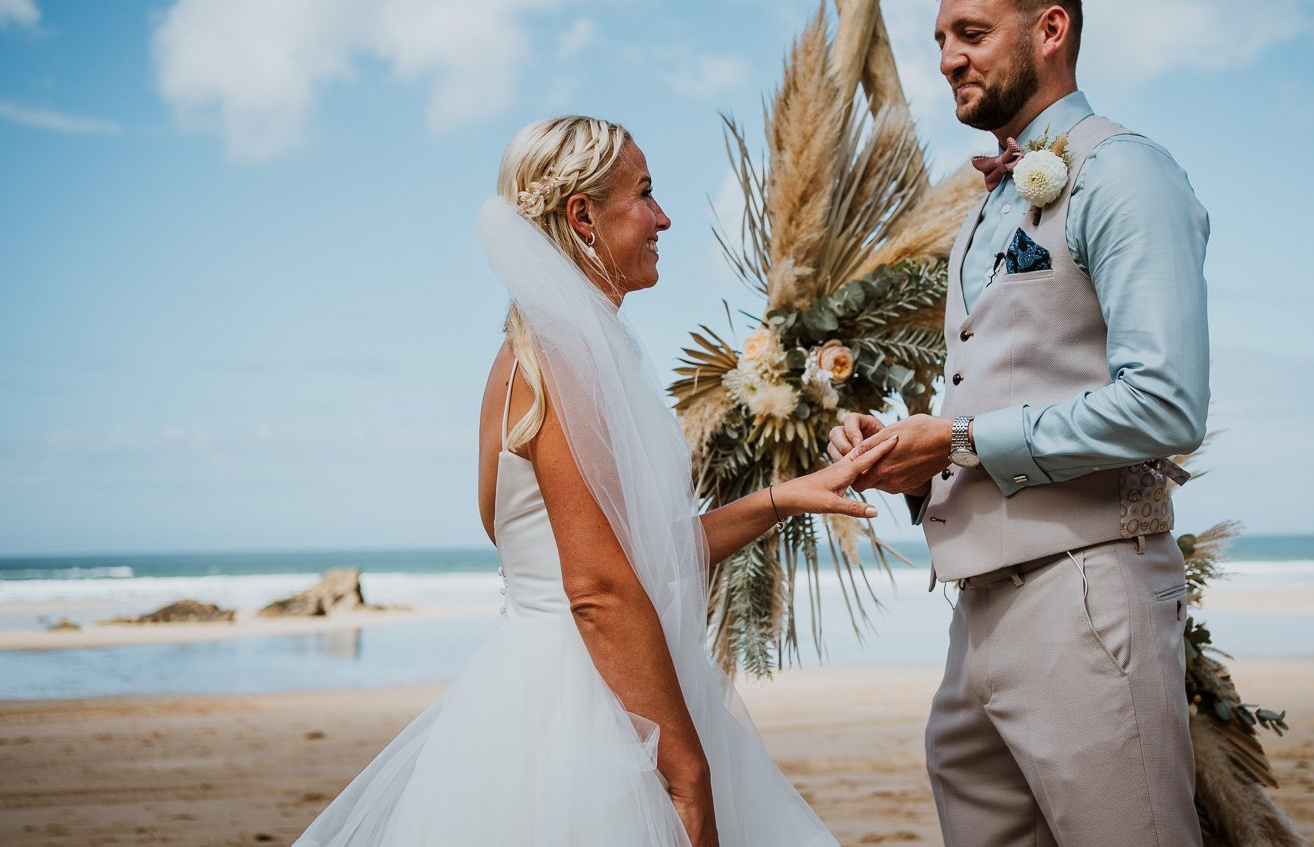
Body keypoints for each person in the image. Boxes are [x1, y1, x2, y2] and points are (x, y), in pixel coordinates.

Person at [294, 115, 896, 847]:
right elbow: (598, 589)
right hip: (587, 717)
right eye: (644, 194)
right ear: (582, 215)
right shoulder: (559, 359)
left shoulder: (547, 354)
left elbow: (629, 555)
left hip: (589, 688)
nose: (663, 217)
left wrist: (782, 496)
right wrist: (684, 767)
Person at [828, 0, 1210, 846]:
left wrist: (959, 443)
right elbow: (1006, 376)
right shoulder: (989, 205)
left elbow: (1167, 403)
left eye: (971, 33)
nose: (949, 57)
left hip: (1084, 592)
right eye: (939, 39)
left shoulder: (1125, 173)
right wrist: (909, 450)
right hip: (976, 612)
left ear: (1051, 30)